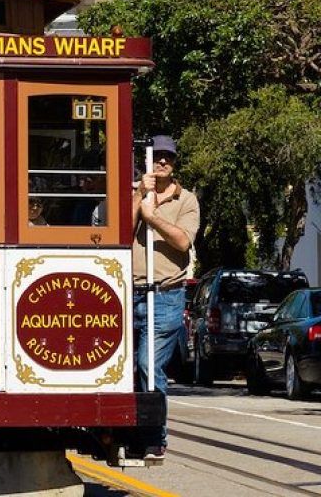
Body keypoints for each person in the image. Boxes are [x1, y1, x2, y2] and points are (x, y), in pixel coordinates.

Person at [131, 135, 200, 459]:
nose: (161, 162)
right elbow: (116, 231)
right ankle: (130, 432)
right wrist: (140, 197)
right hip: (128, 294)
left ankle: (155, 439)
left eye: (167, 158)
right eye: (156, 156)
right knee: (127, 370)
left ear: (174, 163)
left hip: (167, 296)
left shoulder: (186, 200)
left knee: (148, 363)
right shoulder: (135, 192)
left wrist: (153, 217)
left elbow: (183, 242)